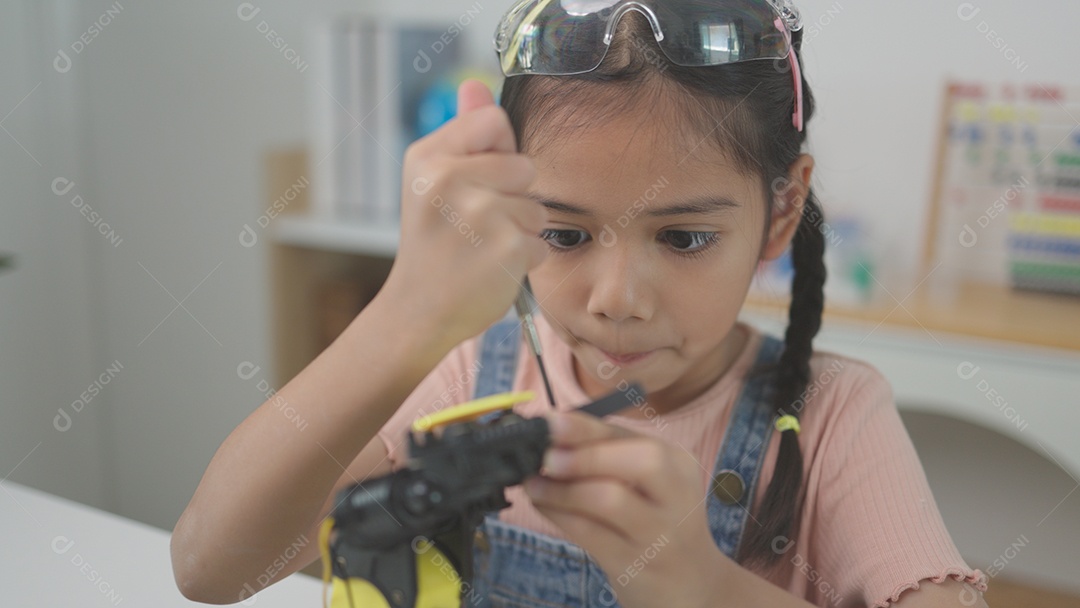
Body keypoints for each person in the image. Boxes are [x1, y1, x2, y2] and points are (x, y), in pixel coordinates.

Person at [171, 1, 989, 606]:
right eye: (564, 236)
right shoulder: (475, 380)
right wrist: (402, 317)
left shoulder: (833, 414)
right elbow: (212, 568)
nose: (616, 301)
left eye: (683, 239)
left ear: (779, 211)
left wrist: (704, 586)